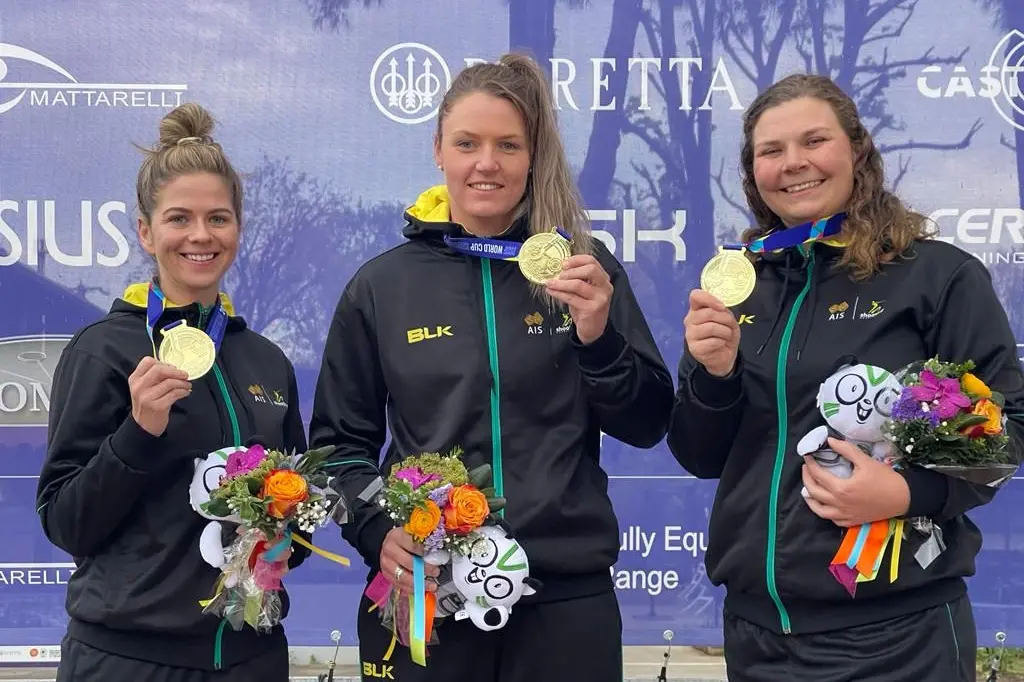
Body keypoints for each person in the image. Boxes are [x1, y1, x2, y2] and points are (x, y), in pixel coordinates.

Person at [309, 52, 674, 681]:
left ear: (532, 157)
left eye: (508, 145)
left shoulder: (584, 268)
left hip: (565, 599)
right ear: (438, 151)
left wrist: (598, 339)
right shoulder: (382, 286)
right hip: (428, 588)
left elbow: (648, 422)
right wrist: (375, 530)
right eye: (467, 143)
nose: (487, 162)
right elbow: (339, 448)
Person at [668, 72, 1024, 681]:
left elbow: (1008, 430)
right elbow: (699, 455)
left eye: (814, 141)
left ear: (857, 151)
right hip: (759, 636)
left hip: (898, 636)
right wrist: (715, 376)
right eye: (771, 150)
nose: (793, 162)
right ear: (753, 172)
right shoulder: (739, 287)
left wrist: (909, 493)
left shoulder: (935, 276)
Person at [36, 103, 310, 682]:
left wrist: (290, 536)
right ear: (146, 231)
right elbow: (66, 523)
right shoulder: (103, 350)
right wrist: (137, 433)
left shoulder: (267, 360)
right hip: (129, 660)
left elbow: (299, 513)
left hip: (251, 658)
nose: (200, 236)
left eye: (218, 218)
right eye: (179, 218)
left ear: (238, 229)